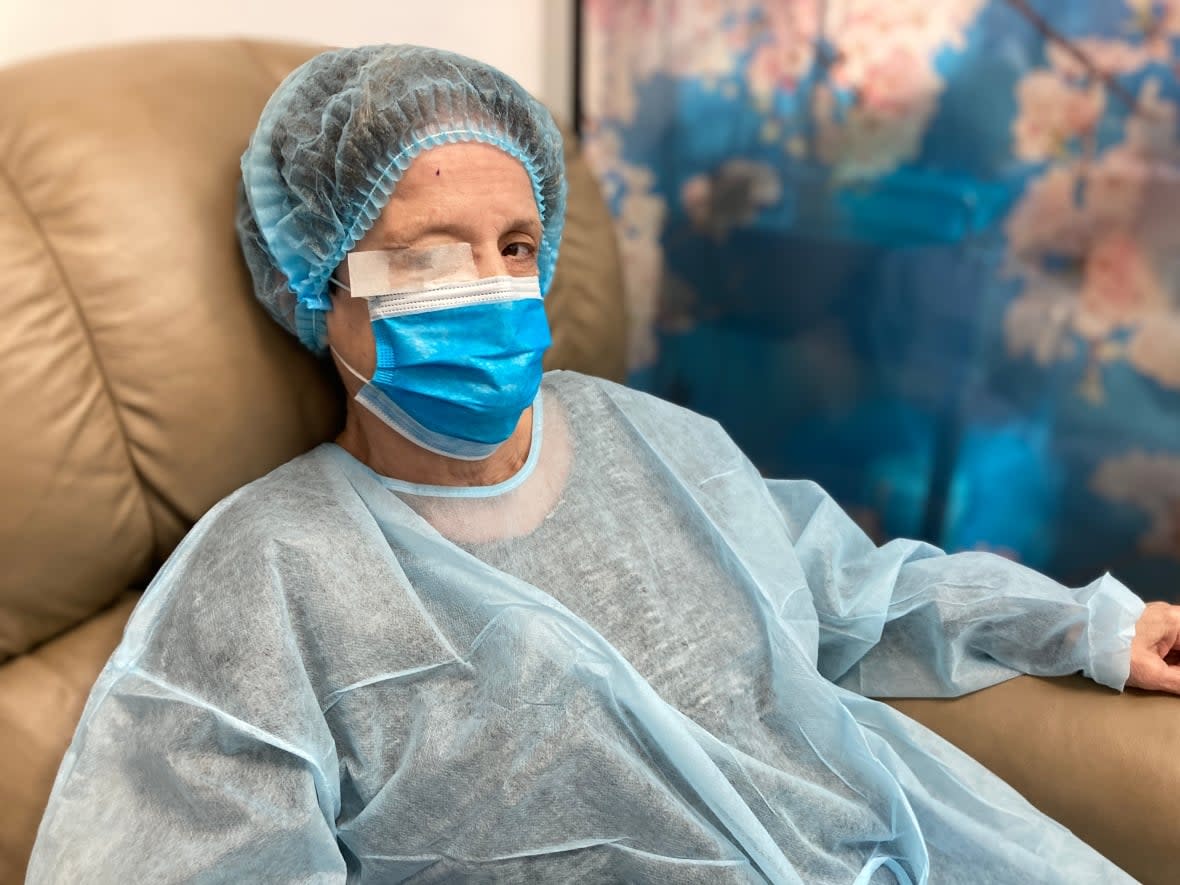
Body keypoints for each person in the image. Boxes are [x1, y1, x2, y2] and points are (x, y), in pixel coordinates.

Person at [26, 44, 1180, 885]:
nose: (491, 287)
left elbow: (848, 594)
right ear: (314, 282)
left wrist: (1080, 627)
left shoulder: (644, 440)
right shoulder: (261, 576)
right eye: (427, 260)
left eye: (516, 248)